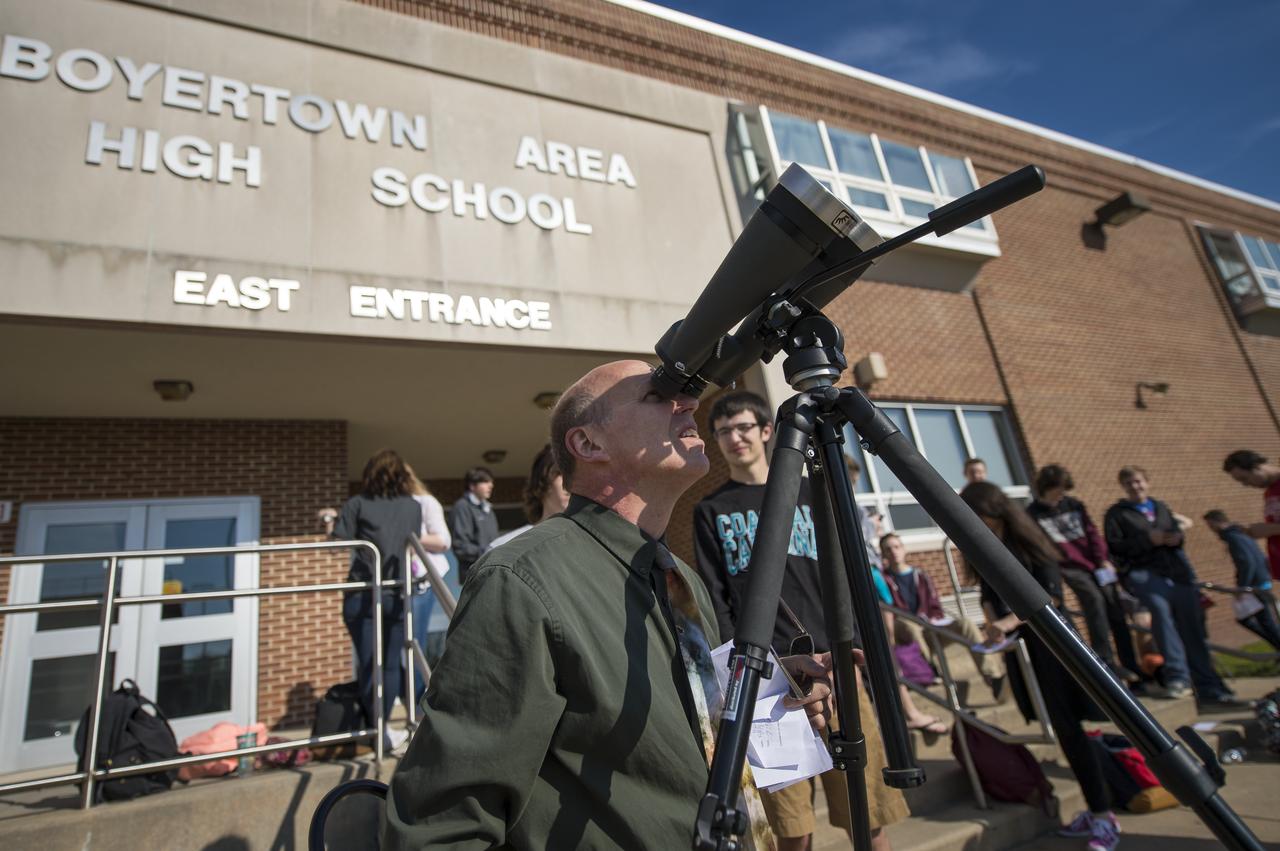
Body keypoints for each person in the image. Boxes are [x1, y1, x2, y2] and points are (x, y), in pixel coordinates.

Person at [383, 361, 833, 850]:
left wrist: (764, 690)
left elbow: (685, 724)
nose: (688, 404)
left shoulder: (680, 578)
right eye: (655, 397)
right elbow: (443, 823)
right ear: (588, 445)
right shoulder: (519, 580)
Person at [692, 390, 909, 851]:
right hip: (767, 682)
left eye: (744, 427)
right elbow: (716, 599)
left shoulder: (812, 492)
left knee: (866, 817)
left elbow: (848, 575)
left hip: (836, 666)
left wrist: (859, 642)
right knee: (792, 830)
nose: (735, 438)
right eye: (724, 431)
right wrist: (747, 673)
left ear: (767, 431)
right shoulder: (710, 511)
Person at [960, 481, 1121, 851]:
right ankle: (1097, 811)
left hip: (1054, 647)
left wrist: (1006, 623)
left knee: (1072, 729)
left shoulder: (1028, 543)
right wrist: (991, 623)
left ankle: (1103, 816)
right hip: (1028, 651)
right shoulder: (986, 549)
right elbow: (988, 596)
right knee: (1065, 733)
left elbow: (1046, 596)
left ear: (992, 510)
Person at [1103, 466, 1238, 706]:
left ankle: (1208, 683)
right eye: (1130, 483)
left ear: (1147, 482)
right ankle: (1178, 678)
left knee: (1192, 628)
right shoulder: (1117, 514)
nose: (1136, 486)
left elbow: (1176, 533)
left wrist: (1176, 538)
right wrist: (1146, 540)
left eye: (1139, 481)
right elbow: (1115, 547)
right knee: (1162, 620)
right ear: (1123, 486)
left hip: (1176, 573)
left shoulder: (1160, 507)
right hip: (1145, 574)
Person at [319, 449, 423, 749]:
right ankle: (383, 728)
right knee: (390, 664)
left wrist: (329, 521)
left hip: (362, 594)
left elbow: (337, 546)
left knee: (369, 664)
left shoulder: (357, 504)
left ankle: (376, 730)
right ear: (401, 476)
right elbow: (410, 544)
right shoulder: (413, 507)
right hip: (396, 593)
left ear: (369, 475)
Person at [1027, 464, 1141, 685]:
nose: (1062, 494)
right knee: (1094, 602)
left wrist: (1103, 561)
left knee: (1114, 607)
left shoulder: (1074, 505)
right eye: (1058, 489)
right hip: (1069, 567)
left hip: (1095, 565)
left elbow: (1092, 533)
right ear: (1046, 487)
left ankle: (1131, 665)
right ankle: (1106, 663)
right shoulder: (1033, 515)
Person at [879, 532, 1006, 698]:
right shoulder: (883, 579)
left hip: (929, 626)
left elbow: (934, 606)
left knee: (965, 623)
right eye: (888, 549)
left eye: (896, 547)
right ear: (883, 554)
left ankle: (992, 675)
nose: (894, 552)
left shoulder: (920, 575)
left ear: (904, 549)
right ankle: (932, 671)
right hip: (905, 630)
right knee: (910, 626)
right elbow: (889, 613)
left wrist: (933, 619)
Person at [404, 464, 451, 703]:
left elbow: (443, 541)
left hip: (420, 581)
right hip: (395, 583)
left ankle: (418, 700)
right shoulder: (386, 504)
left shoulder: (426, 502)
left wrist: (403, 533)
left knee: (416, 640)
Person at [1204, 509, 1280, 651]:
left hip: (1254, 584)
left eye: (1211, 525)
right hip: (1261, 580)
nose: (1211, 529)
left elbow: (1247, 562)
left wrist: (1241, 587)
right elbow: (1260, 557)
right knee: (1260, 620)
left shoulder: (1233, 537)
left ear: (1217, 522)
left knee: (1263, 621)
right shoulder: (1240, 534)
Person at [486, 443, 571, 550]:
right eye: (562, 473)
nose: (573, 483)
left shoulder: (594, 545)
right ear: (542, 480)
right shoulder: (503, 549)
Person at [1221, 449, 1280, 581]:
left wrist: (1269, 529)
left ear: (1256, 466)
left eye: (1244, 478)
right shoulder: (1269, 492)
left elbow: (1273, 528)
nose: (1246, 484)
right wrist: (1250, 531)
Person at [449, 465, 499, 583]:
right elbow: (460, 546)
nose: (491, 485)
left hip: (492, 573)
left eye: (491, 482)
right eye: (485, 481)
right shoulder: (462, 507)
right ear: (472, 486)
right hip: (474, 577)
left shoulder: (487, 508)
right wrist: (487, 553)